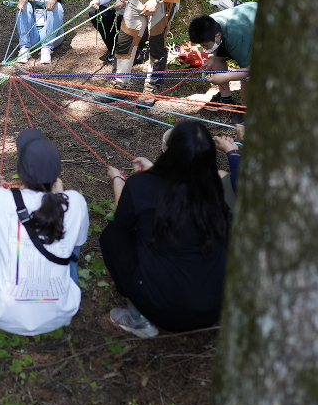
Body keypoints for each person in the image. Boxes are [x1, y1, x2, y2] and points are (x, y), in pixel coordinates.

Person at [100, 120, 233, 337]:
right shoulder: (213, 187)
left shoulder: (141, 185)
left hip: (166, 309)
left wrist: (117, 181)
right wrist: (154, 171)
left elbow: (123, 223)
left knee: (112, 236)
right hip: (216, 306)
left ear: (171, 153)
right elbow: (180, 189)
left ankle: (137, 318)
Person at [0, 129, 89, 336]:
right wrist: (59, 196)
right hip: (61, 313)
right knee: (72, 238)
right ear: (56, 173)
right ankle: (61, 295)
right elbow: (76, 245)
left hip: (1, 313)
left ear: (21, 174)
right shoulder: (75, 201)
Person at [187, 1, 258, 109]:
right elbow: (214, 44)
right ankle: (226, 99)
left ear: (218, 36)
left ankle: (244, 107)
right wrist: (211, 58)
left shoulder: (237, 39)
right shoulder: (208, 24)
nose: (205, 49)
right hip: (247, 16)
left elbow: (249, 70)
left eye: (206, 45)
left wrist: (225, 76)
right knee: (217, 58)